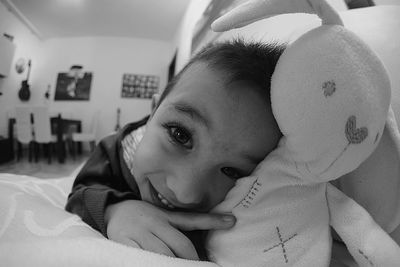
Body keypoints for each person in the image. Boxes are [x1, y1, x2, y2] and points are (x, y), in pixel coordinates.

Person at [65, 39, 284, 261]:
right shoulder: (113, 150)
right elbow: (79, 194)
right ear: (153, 112)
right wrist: (114, 210)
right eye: (180, 135)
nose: (185, 193)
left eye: (232, 171)